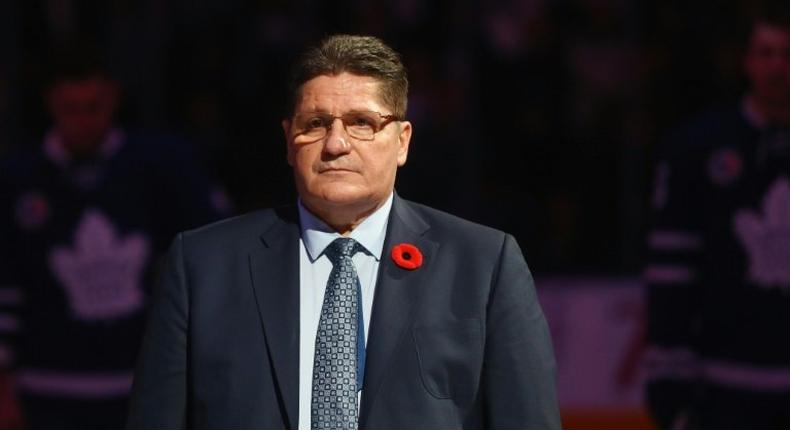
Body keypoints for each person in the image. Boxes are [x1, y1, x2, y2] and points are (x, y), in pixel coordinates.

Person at [126, 34, 560, 430]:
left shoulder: (484, 265)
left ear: (403, 140)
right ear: (287, 140)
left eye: (361, 123)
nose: (335, 144)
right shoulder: (202, 265)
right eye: (315, 124)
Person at [0, 44, 227, 429]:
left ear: (112, 99)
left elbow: (212, 261)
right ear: (51, 104)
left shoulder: (160, 169)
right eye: (70, 109)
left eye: (93, 107)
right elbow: (5, 287)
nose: (83, 122)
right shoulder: (18, 179)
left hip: (141, 381)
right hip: (45, 386)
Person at [644, 4, 790, 429]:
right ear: (747, 61)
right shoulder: (696, 148)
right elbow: (670, 277)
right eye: (766, 53)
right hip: (723, 392)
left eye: (787, 54)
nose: (778, 67)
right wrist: (670, 387)